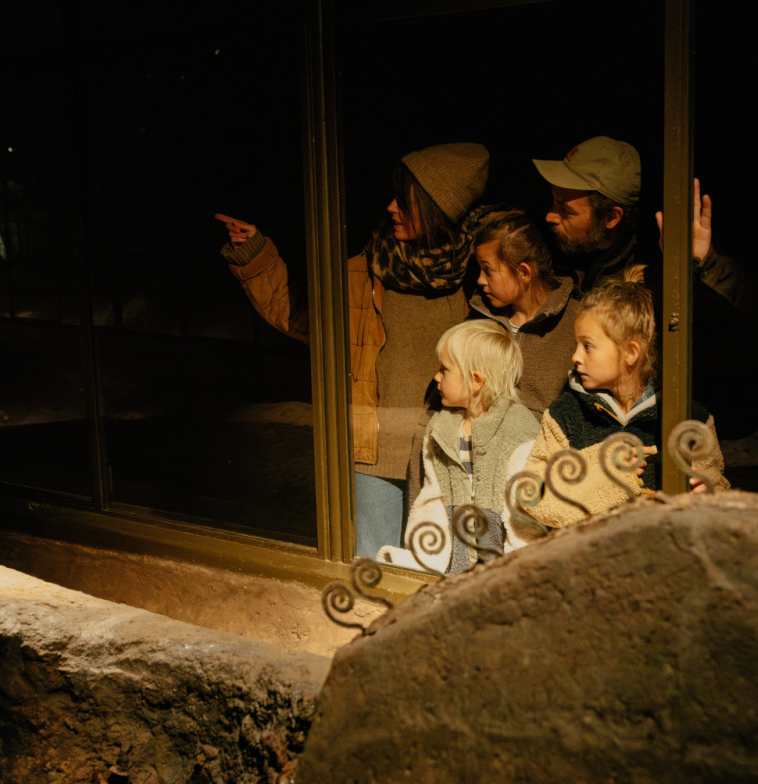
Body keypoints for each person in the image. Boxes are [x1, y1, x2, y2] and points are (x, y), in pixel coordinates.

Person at [217, 143, 493, 558]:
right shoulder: (365, 271)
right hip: (375, 452)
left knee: (443, 567)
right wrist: (257, 255)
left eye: (406, 201)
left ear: (438, 209)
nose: (391, 208)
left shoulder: (477, 277)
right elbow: (299, 317)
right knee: (373, 564)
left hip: (447, 451)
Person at [523, 269, 730, 529]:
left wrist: (709, 495)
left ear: (631, 352)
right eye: (576, 345)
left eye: (587, 346)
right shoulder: (564, 416)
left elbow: (718, 484)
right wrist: (604, 475)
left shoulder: (689, 417)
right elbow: (532, 496)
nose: (575, 356)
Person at [381, 319, 540, 574]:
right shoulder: (441, 431)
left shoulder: (519, 432)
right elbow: (432, 501)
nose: (436, 376)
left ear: (476, 380)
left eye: (444, 369)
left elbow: (523, 517)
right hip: (455, 568)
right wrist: (423, 560)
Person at [534, 135, 758, 314]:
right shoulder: (561, 249)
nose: (550, 216)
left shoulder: (649, 272)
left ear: (611, 218)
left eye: (565, 209)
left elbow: (752, 302)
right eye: (553, 201)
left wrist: (703, 265)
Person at [467, 209, 577, 416]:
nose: (480, 280)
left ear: (524, 271)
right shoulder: (480, 317)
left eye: (488, 270)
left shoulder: (576, 321)